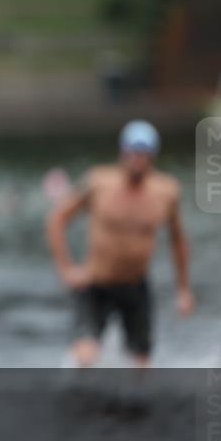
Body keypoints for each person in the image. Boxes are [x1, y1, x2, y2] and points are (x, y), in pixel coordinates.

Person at [46, 120, 194, 368]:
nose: (138, 159)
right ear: (123, 152)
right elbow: (56, 219)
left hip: (135, 285)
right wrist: (66, 268)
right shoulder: (98, 183)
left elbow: (177, 240)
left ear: (153, 156)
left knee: (142, 365)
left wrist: (183, 289)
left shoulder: (166, 192)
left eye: (144, 153)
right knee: (86, 355)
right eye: (133, 152)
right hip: (95, 284)